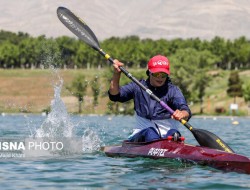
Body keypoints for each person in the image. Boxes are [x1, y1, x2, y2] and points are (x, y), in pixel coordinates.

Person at [108, 55, 191, 142]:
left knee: (174, 133)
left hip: (169, 136)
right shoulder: (138, 86)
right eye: (156, 74)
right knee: (150, 132)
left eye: (163, 74)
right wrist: (116, 74)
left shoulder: (173, 91)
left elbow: (185, 110)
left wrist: (182, 114)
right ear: (149, 72)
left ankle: (168, 146)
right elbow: (114, 95)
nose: (160, 77)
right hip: (142, 134)